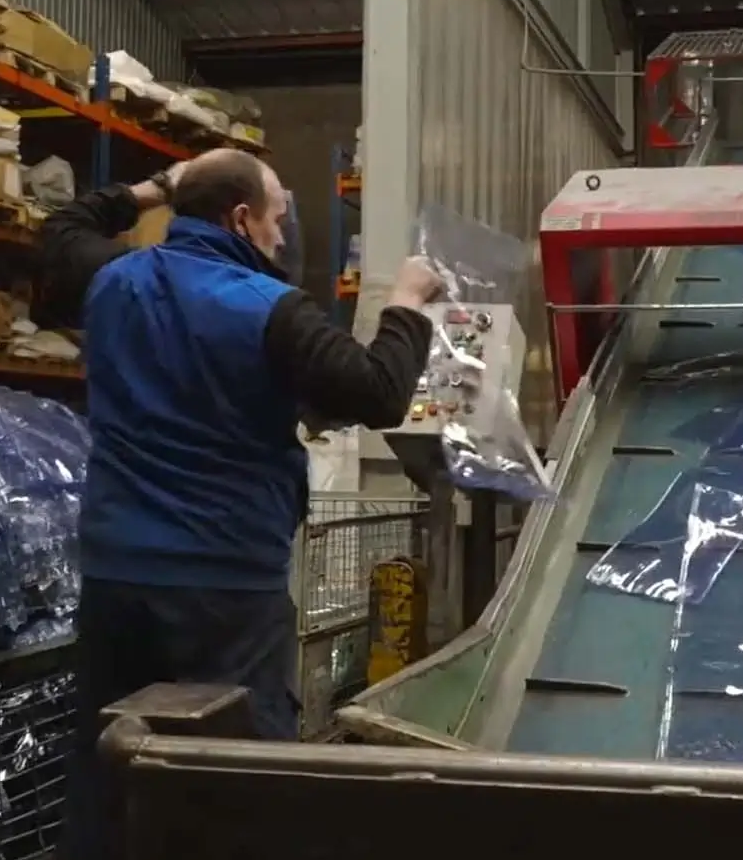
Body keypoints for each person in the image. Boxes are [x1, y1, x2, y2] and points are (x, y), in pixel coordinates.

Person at [39, 148, 443, 860]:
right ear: (241, 218)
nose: (282, 238)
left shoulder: (111, 279)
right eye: (278, 218)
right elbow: (378, 390)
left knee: (112, 768)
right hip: (224, 585)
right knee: (237, 774)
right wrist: (406, 302)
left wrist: (158, 185)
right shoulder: (269, 308)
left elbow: (64, 225)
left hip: (116, 578)